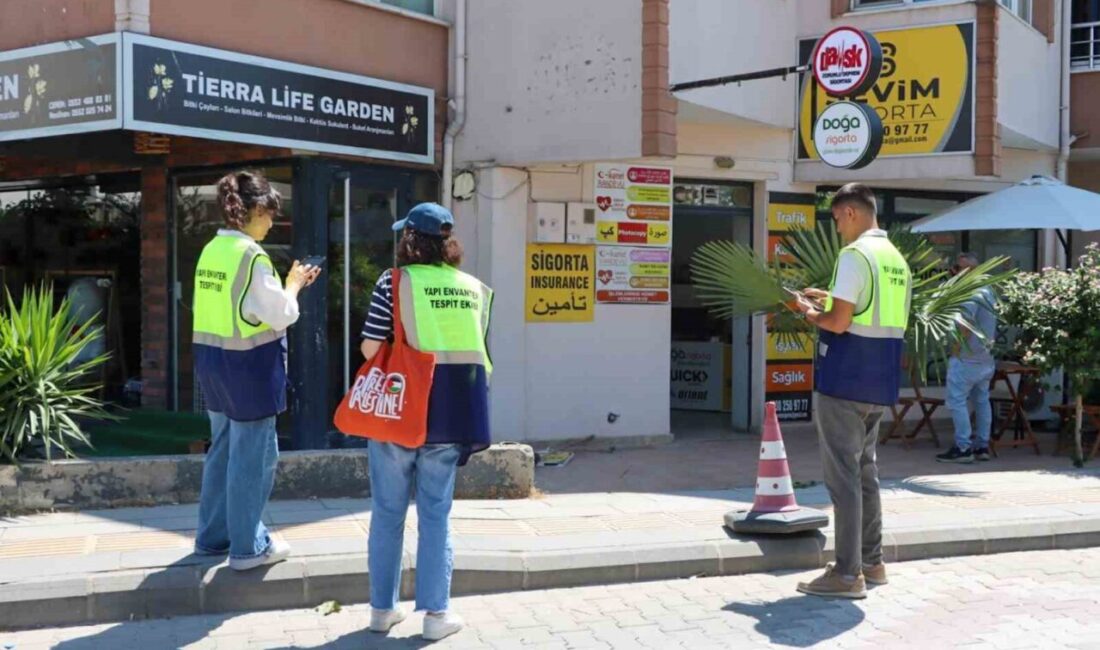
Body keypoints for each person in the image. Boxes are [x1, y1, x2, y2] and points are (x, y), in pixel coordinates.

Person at [362, 203, 492, 642]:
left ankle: (382, 611)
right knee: (436, 516)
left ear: (410, 240)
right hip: (451, 415)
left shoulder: (394, 282)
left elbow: (370, 348)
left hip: (400, 412)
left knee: (387, 513)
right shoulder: (473, 288)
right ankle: (437, 615)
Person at [191, 170, 320, 571]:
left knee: (222, 451)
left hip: (212, 363)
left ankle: (212, 538)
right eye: (269, 214)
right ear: (254, 210)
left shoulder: (211, 250)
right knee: (254, 458)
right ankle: (248, 548)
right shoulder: (252, 256)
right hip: (249, 368)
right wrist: (294, 283)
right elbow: (281, 314)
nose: (271, 223)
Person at [792, 183, 912, 599]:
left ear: (850, 213)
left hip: (844, 379)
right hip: (879, 381)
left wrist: (808, 312)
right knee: (865, 473)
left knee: (843, 479)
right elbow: (867, 310)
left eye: (836, 220)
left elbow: (839, 323)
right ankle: (872, 563)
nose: (838, 230)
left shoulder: (854, 254)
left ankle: (846, 574)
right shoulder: (895, 259)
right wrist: (831, 297)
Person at [937, 253, 998, 464]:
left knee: (957, 402)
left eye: (955, 268)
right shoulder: (988, 290)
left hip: (967, 357)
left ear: (968, 271)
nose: (951, 272)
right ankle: (982, 445)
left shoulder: (970, 292)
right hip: (985, 357)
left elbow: (965, 325)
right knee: (981, 401)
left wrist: (955, 350)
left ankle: (963, 447)